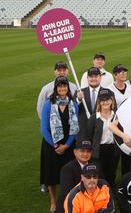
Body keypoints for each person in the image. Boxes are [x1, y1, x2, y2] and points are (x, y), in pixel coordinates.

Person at [41, 76, 80, 213]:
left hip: (68, 145)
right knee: (51, 174)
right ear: (56, 88)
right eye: (59, 86)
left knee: (69, 173)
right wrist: (55, 145)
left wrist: (67, 145)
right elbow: (44, 129)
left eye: (64, 86)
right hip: (51, 145)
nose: (62, 89)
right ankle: (53, 200)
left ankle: (68, 198)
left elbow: (75, 129)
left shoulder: (73, 104)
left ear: (68, 88)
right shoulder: (48, 104)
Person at [81, 89, 118, 188]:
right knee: (100, 174)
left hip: (113, 149)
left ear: (112, 100)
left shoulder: (117, 116)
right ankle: (101, 192)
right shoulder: (94, 118)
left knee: (111, 173)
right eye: (102, 100)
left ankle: (111, 193)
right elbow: (89, 135)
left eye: (107, 99)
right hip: (98, 150)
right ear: (99, 102)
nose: (105, 102)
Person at [57, 140, 93, 213]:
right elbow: (67, 192)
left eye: (88, 151)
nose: (85, 154)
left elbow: (102, 185)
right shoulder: (67, 169)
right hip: (70, 205)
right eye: (82, 151)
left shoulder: (95, 166)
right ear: (75, 152)